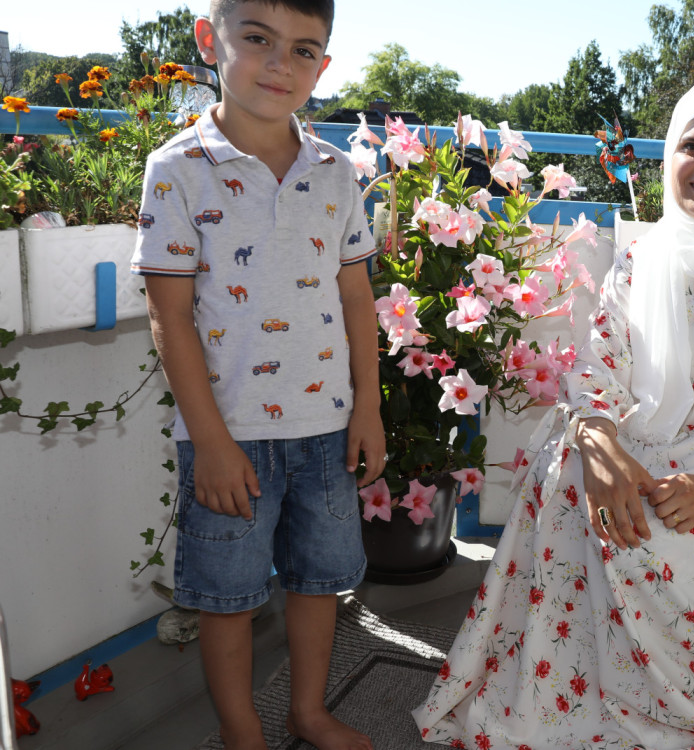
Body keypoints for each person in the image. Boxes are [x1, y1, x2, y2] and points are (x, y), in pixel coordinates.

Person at [413, 76, 694, 749]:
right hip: (649, 426)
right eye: (693, 146)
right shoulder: (644, 253)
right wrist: (598, 443)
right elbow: (599, 362)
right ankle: (572, 670)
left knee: (668, 529)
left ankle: (692, 684)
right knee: (567, 465)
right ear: (669, 153)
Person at [130, 2, 384, 748]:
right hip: (227, 437)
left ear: (323, 67)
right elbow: (169, 315)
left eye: (303, 49)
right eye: (257, 39)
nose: (280, 63)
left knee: (318, 583)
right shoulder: (176, 170)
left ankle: (308, 712)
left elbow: (357, 299)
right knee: (228, 598)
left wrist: (368, 409)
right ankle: (243, 733)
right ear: (209, 41)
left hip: (327, 432)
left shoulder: (336, 171)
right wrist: (209, 441)